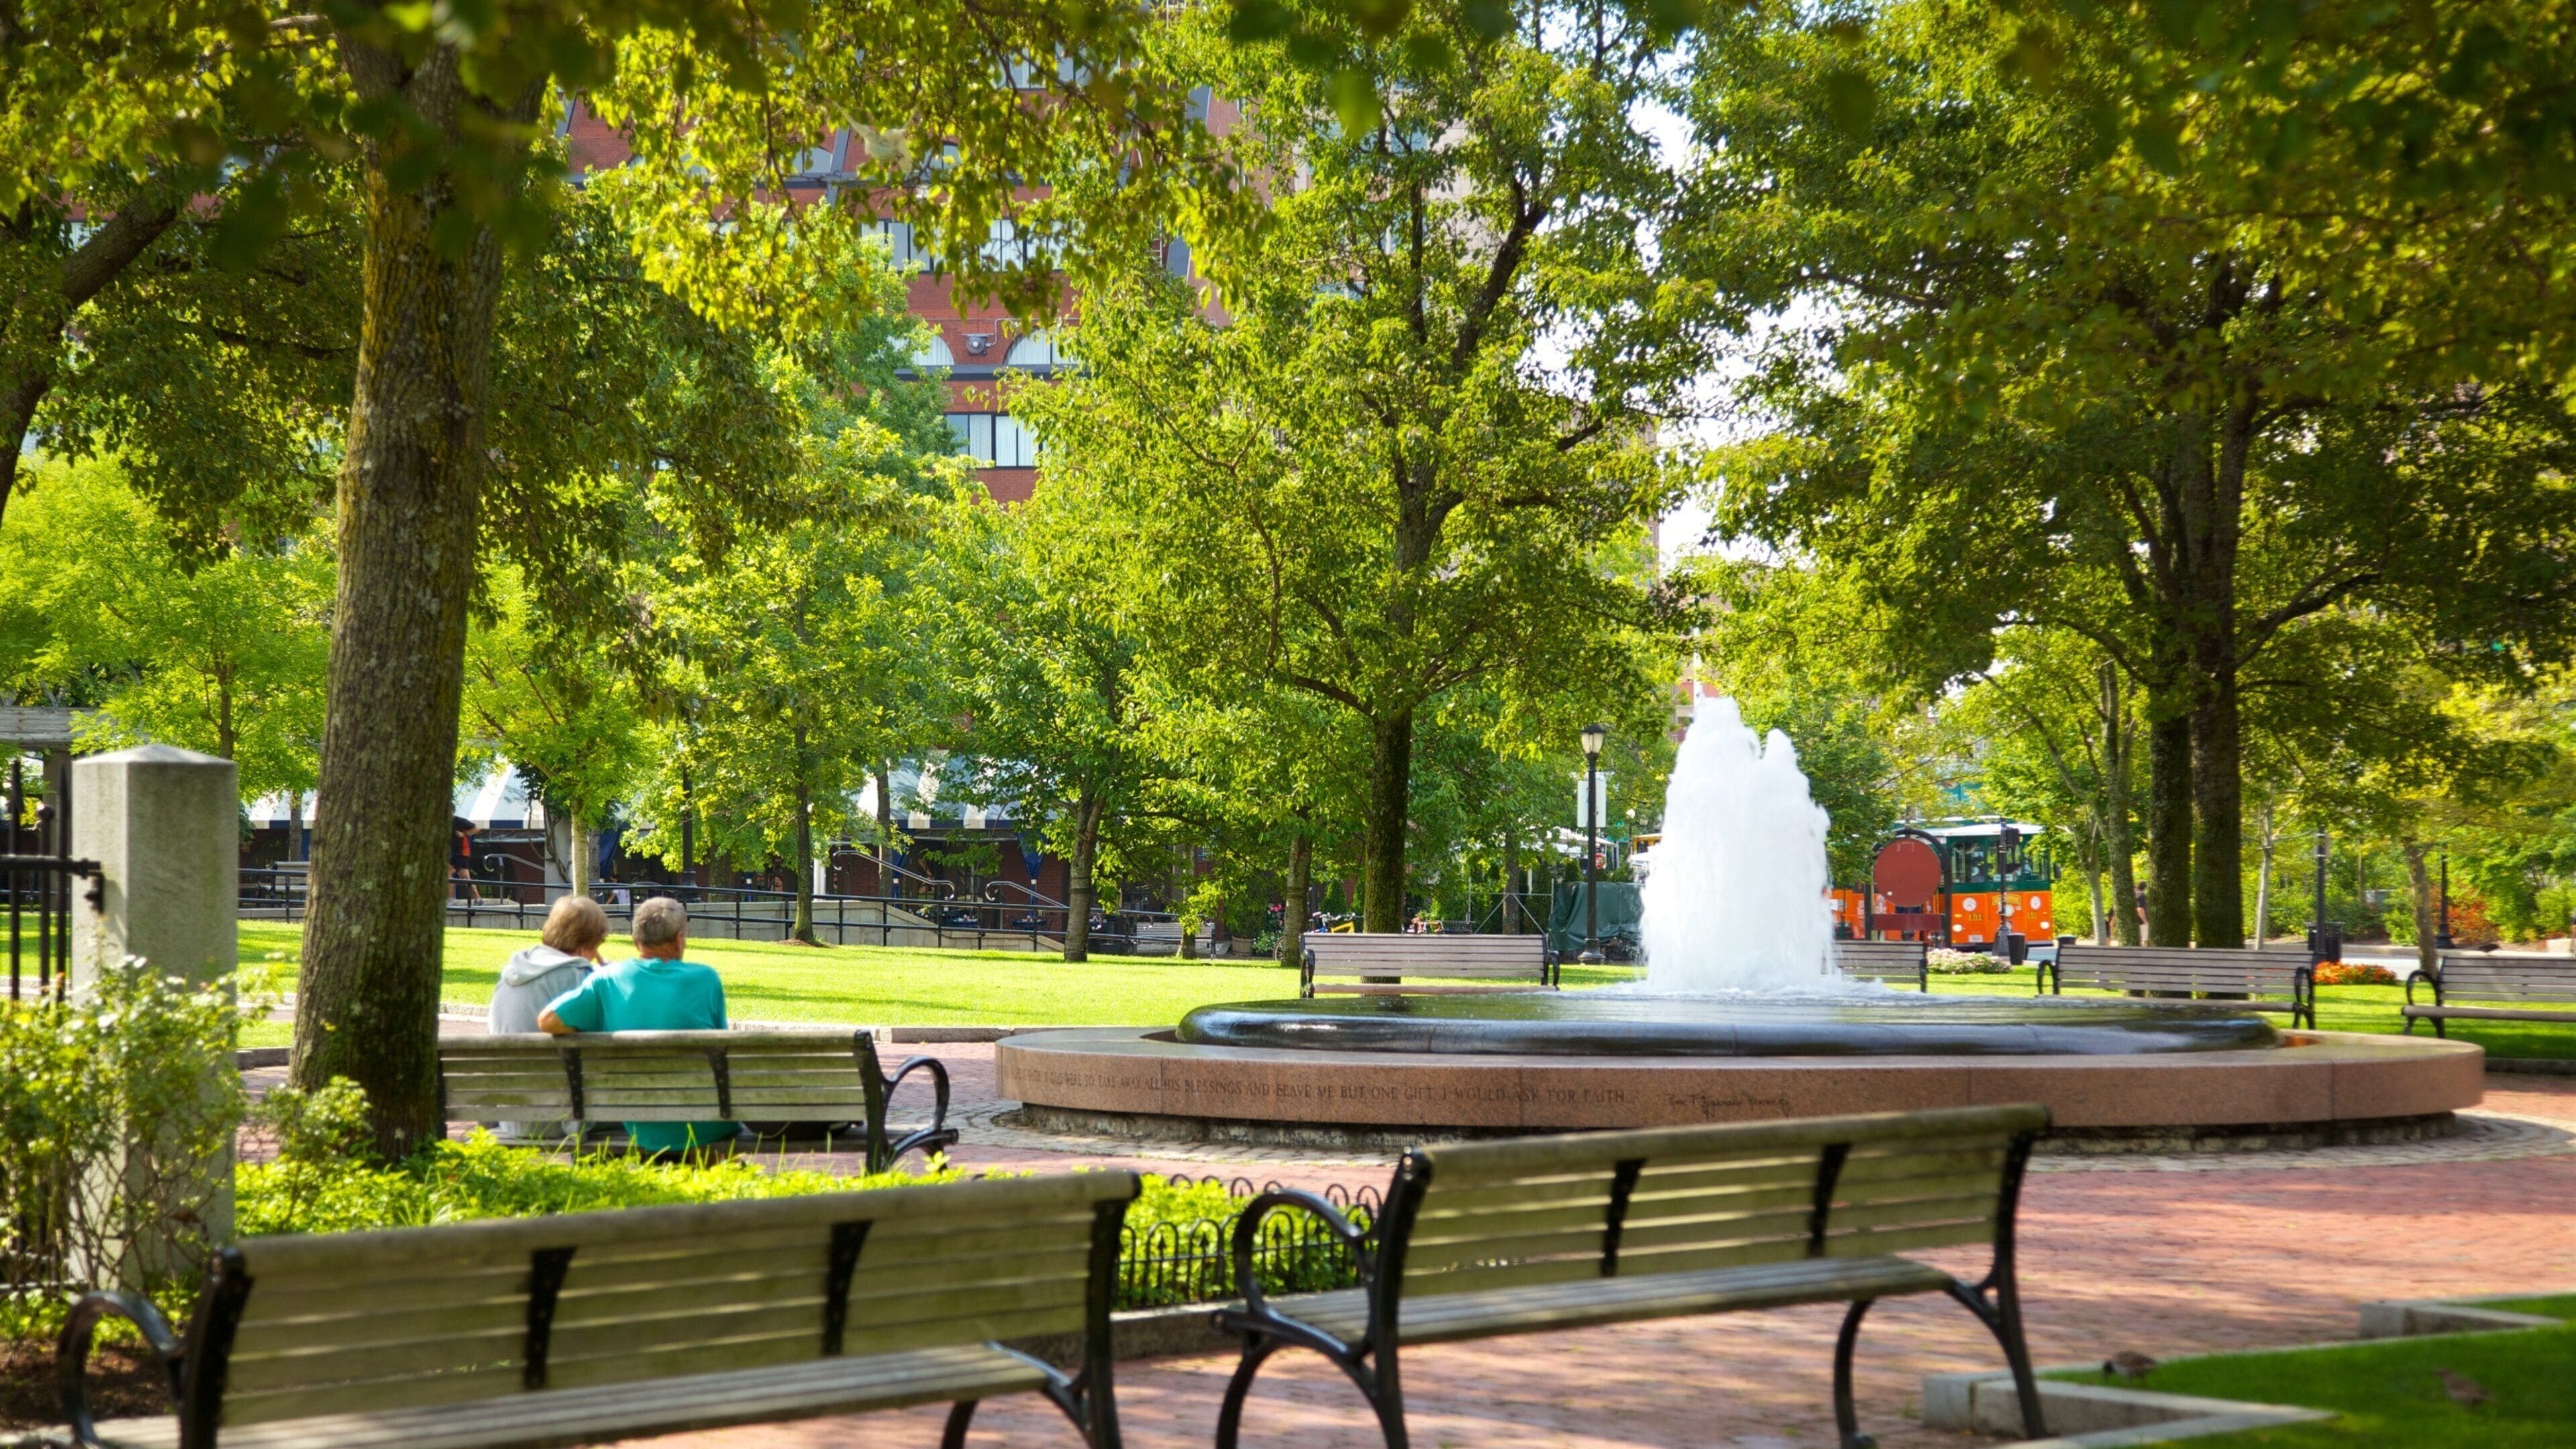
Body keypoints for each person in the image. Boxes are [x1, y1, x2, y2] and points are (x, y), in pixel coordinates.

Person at [539, 896, 738, 1157]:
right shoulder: (707, 979)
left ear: (636, 941)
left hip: (641, 1124)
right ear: (680, 939)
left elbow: (548, 1021)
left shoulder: (606, 981)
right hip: (707, 1122)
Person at [486, 896, 608, 1142]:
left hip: (512, 1117)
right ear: (590, 942)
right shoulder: (579, 978)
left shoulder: (512, 972)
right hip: (563, 1120)